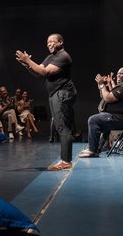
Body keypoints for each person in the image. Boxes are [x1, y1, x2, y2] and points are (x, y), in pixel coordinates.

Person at [16, 33, 77, 170]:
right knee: (60, 125)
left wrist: (28, 61)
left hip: (63, 93)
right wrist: (27, 63)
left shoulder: (63, 56)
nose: (49, 44)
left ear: (60, 42)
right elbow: (38, 71)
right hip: (56, 93)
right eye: (48, 42)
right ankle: (65, 161)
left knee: (62, 126)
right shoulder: (51, 57)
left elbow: (44, 72)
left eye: (52, 42)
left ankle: (66, 162)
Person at [79, 67, 123, 158]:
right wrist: (101, 85)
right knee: (102, 117)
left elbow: (108, 98)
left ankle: (92, 150)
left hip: (120, 119)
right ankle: (95, 148)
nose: (118, 75)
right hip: (117, 117)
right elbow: (106, 94)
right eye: (118, 73)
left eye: (121, 73)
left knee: (93, 120)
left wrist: (102, 85)